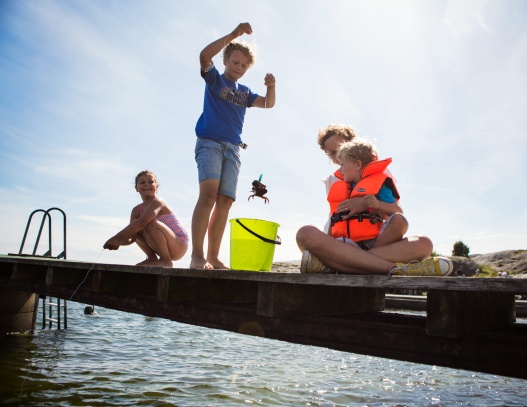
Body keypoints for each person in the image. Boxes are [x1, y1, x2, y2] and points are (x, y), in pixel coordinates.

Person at [297, 124, 452, 276]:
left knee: (424, 244)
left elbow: (397, 213)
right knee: (305, 234)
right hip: (342, 243)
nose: (337, 156)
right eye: (332, 153)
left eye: (340, 148)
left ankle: (338, 264)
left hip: (376, 243)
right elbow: (333, 217)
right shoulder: (332, 181)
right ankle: (400, 269)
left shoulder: (380, 175)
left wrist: (366, 203)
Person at [190, 22, 276, 270]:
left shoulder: (246, 92)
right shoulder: (215, 80)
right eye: (235, 62)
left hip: (233, 149)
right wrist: (233, 36)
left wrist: (271, 86)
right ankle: (198, 256)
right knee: (208, 196)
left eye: (244, 65)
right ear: (226, 60)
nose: (238, 68)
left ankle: (213, 257)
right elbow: (205, 56)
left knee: (225, 201)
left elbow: (268, 104)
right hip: (210, 143)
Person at [104, 170, 189, 267]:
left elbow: (143, 222)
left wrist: (117, 238)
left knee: (148, 222)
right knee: (135, 228)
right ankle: (151, 258)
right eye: (142, 182)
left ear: (157, 187)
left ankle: (166, 261)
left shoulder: (158, 202)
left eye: (150, 182)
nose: (146, 185)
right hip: (163, 246)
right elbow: (132, 238)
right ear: (136, 188)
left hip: (179, 245)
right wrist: (118, 242)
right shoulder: (136, 210)